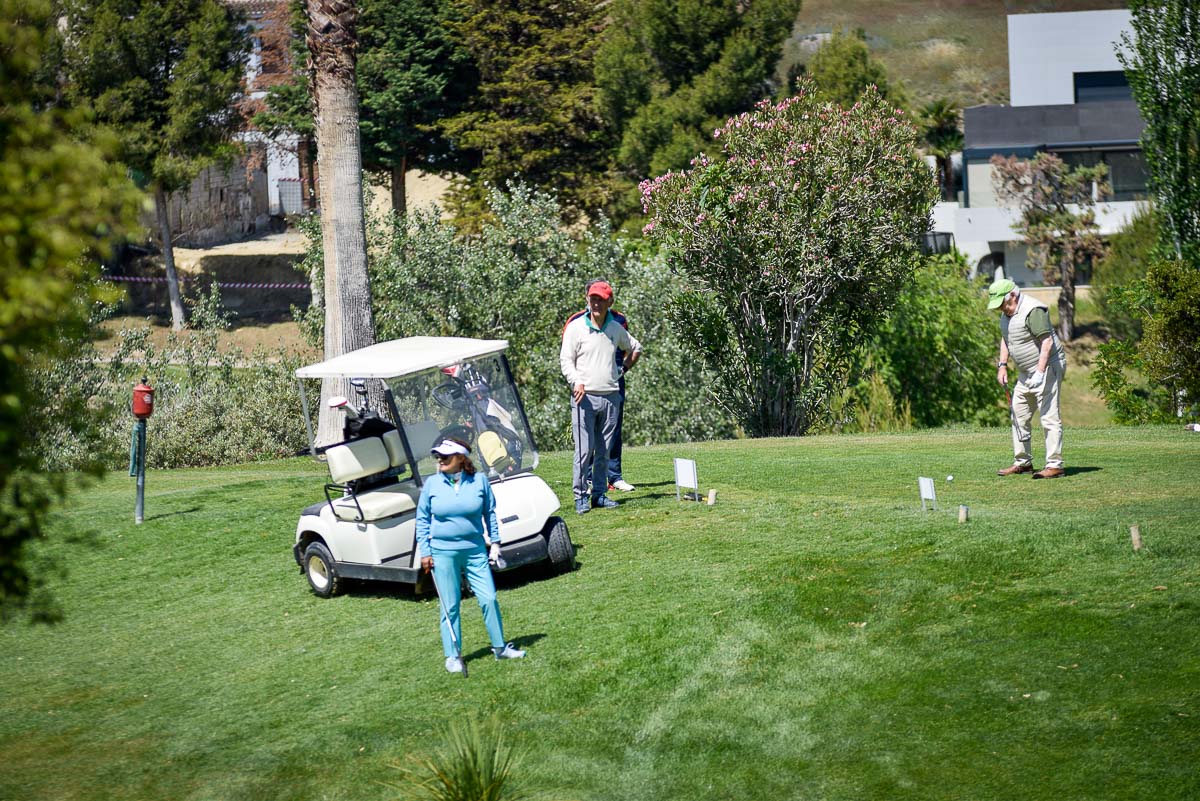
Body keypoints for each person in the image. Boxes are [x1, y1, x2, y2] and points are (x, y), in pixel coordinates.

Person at [416, 437, 525, 673]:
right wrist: (425, 551)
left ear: (461, 458)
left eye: (446, 456)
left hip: (475, 550)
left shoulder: (479, 481)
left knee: (489, 598)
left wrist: (495, 543)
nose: (440, 460)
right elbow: (422, 519)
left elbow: (489, 512)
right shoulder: (432, 485)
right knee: (450, 605)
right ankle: (452, 656)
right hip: (442, 552)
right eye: (439, 456)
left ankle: (500, 648)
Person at [559, 280, 642, 514]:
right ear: (587, 299)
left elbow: (634, 347)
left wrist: (622, 369)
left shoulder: (615, 328)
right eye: (593, 298)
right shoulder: (576, 327)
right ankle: (580, 497)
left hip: (610, 397)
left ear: (609, 302)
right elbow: (566, 360)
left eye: (600, 299)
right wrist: (576, 380)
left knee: (604, 451)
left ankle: (599, 495)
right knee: (584, 451)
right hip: (583, 398)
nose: (596, 303)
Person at [988, 278, 1068, 479]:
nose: (1001, 309)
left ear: (1012, 296)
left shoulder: (1033, 311)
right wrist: (1002, 365)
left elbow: (1047, 341)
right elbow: (1007, 338)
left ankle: (1055, 465)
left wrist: (1041, 372)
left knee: (1048, 416)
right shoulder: (1007, 314)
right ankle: (1023, 462)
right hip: (1026, 372)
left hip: (1048, 366)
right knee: (1018, 411)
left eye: (1002, 304)